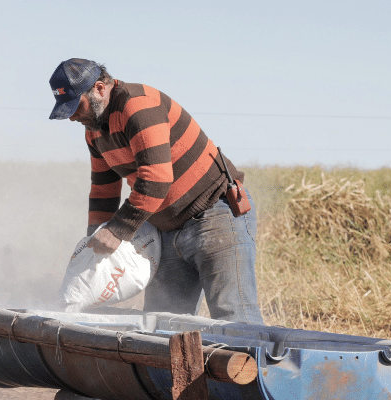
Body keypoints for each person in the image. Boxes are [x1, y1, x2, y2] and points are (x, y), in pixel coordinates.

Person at [47, 58, 264, 325]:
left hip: (214, 214)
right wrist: (94, 243)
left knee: (235, 319)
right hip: (165, 229)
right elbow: (103, 190)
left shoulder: (139, 106)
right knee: (162, 323)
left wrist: (116, 230)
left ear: (100, 89)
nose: (71, 117)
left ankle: (255, 366)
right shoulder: (94, 132)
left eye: (75, 106)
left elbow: (156, 180)